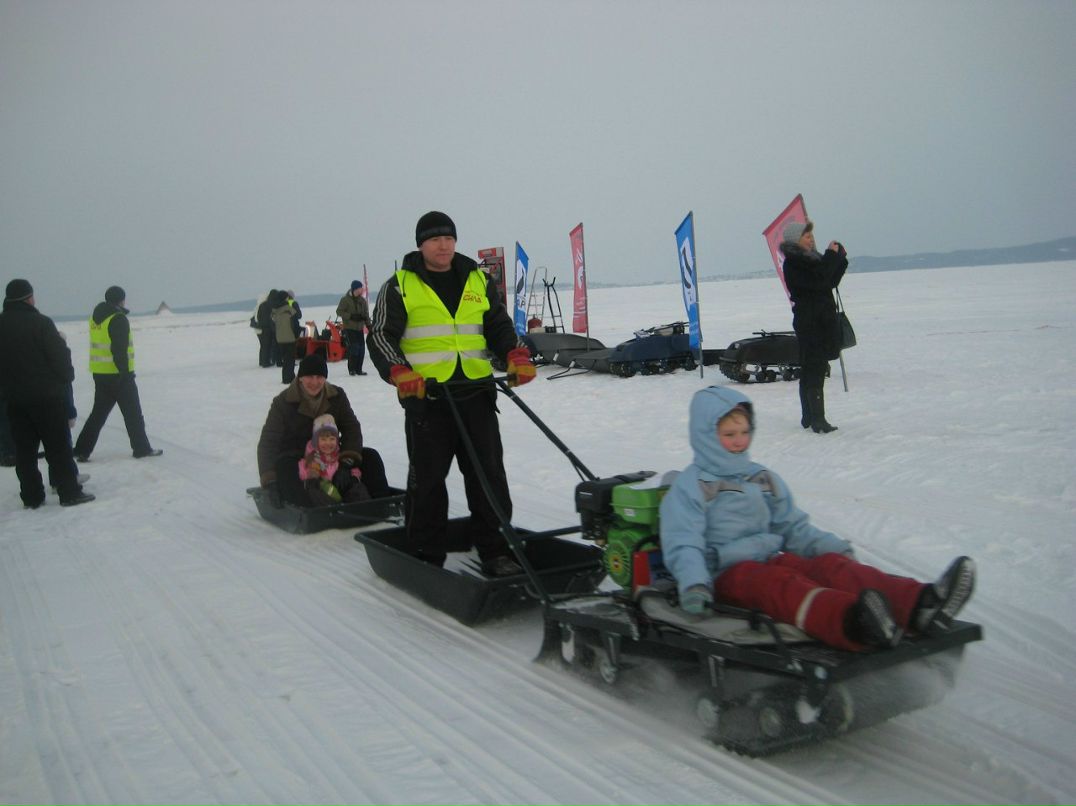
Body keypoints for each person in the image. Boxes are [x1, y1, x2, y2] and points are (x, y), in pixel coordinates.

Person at [659, 386, 975, 651]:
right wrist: (695, 584)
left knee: (829, 567)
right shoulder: (692, 486)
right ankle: (853, 622)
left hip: (769, 558)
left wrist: (832, 549)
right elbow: (683, 541)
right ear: (706, 436)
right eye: (729, 434)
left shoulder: (760, 477)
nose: (739, 440)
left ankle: (922, 604)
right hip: (725, 573)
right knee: (780, 585)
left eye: (744, 432)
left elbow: (792, 526)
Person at [367, 210, 536, 577]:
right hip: (428, 398)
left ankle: (496, 551)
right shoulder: (400, 285)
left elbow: (498, 325)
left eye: (448, 238)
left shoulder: (478, 279)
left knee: (489, 476)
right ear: (420, 245)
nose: (443, 246)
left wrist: (516, 354)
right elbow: (381, 335)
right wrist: (399, 370)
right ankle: (426, 554)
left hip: (476, 392)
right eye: (434, 239)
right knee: (428, 481)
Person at [0, 279, 94, 507]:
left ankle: (31, 496)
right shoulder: (41, 323)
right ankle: (69, 492)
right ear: (28, 298)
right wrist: (66, 377)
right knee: (58, 448)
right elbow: (60, 360)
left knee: (25, 451)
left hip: (14, 400)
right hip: (47, 398)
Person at [257, 352, 390, 508]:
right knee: (285, 467)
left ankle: (382, 504)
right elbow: (269, 441)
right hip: (297, 458)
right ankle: (309, 509)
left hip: (330, 454)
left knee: (370, 456)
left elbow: (352, 429)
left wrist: (346, 462)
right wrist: (270, 480)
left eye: (319, 377)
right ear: (300, 378)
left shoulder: (337, 396)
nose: (314, 382)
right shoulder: (283, 402)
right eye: (309, 377)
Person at [73, 286, 162, 461]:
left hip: (100, 374)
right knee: (133, 414)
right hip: (119, 375)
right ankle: (141, 448)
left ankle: (82, 449)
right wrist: (125, 373)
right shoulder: (118, 318)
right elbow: (118, 349)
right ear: (121, 300)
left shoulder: (96, 317)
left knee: (98, 414)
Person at [780, 219, 848, 433]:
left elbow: (829, 282)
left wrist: (840, 260)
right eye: (807, 236)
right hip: (810, 322)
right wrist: (831, 256)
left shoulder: (811, 259)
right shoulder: (794, 262)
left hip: (820, 321)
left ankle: (809, 416)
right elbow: (819, 280)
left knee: (812, 367)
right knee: (815, 368)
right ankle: (817, 419)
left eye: (812, 236)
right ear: (796, 240)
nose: (811, 240)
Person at [297, 413, 371, 506]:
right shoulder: (313, 458)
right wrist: (311, 478)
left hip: (342, 492)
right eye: (323, 439)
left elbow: (353, 469)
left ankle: (363, 507)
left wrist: (354, 478)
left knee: (357, 488)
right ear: (316, 441)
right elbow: (303, 470)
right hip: (325, 492)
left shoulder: (340, 456)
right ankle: (331, 511)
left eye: (332, 439)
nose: (328, 443)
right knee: (314, 492)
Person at [336, 280, 372, 376]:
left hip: (359, 328)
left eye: (362, 288)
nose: (361, 290)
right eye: (360, 288)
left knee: (361, 349)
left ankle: (359, 369)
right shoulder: (345, 300)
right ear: (355, 289)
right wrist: (351, 316)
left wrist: (369, 325)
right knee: (354, 348)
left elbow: (366, 314)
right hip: (349, 328)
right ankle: (352, 369)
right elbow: (339, 311)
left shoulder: (362, 301)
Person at [271, 289, 299, 384]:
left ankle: (287, 376)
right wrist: (296, 334)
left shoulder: (274, 311)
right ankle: (289, 378)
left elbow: (273, 325)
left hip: (279, 338)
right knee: (290, 359)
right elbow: (295, 323)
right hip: (290, 337)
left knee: (285, 358)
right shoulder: (288, 309)